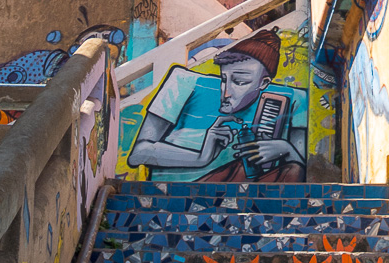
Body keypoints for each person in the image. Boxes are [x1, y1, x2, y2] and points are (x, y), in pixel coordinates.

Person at [128, 27, 307, 181]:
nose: (226, 92)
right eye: (223, 79)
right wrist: (201, 157)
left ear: (264, 83)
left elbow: (300, 170)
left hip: (248, 194)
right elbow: (138, 153)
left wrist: (286, 149)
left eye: (240, 82)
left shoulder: (294, 99)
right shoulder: (184, 83)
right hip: (181, 192)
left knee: (285, 169)